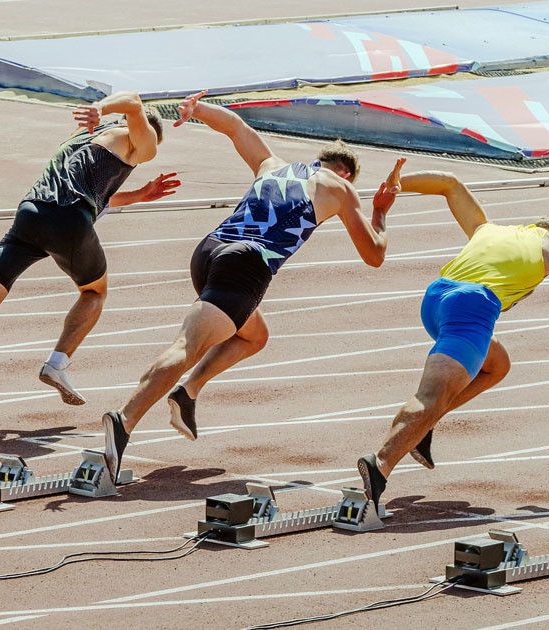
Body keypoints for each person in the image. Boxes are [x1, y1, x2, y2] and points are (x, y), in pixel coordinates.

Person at [100, 89, 401, 483]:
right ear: (345, 173)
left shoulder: (273, 164)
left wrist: (197, 110)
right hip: (246, 264)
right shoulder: (341, 188)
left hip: (208, 252)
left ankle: (188, 391)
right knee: (186, 346)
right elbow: (374, 255)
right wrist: (379, 210)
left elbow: (237, 128)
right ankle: (124, 422)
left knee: (254, 335)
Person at [0, 91, 175, 429]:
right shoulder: (142, 139)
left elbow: (97, 194)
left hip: (30, 214)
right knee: (94, 293)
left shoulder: (85, 137)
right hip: (67, 219)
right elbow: (136, 103)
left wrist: (139, 195)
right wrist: (102, 107)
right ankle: (57, 362)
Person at [355, 170, 549, 513]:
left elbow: (451, 183)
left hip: (436, 299)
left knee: (497, 365)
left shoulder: (489, 229)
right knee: (432, 396)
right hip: (472, 305)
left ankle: (423, 427)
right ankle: (381, 463)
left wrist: (397, 185)